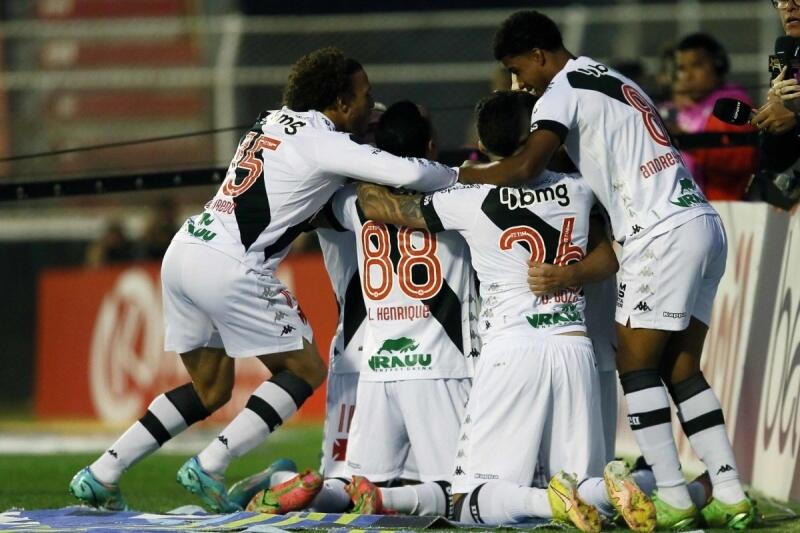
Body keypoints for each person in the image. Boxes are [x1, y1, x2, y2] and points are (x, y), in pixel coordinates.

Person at [68, 47, 458, 513]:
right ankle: (212, 464)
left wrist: (362, 124)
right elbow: (412, 171)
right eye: (364, 96)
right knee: (305, 369)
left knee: (209, 389)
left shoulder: (269, 120)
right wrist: (464, 173)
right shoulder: (325, 143)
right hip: (231, 264)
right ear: (338, 102)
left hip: (185, 250)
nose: (370, 105)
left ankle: (102, 472)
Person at [457, 11, 754, 530]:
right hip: (702, 220)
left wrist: (459, 171)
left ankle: (673, 499)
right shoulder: (610, 75)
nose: (517, 82)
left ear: (539, 56)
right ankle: (730, 492)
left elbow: (526, 165)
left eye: (517, 69)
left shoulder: (559, 89)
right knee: (681, 368)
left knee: (635, 364)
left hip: (659, 232)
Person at [354, 94, 632, 531]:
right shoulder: (579, 189)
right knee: (581, 485)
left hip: (511, 350)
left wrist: (366, 171)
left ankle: (549, 503)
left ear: (480, 141)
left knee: (468, 501)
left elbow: (386, 208)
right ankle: (610, 488)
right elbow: (610, 259)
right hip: (573, 347)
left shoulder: (466, 197)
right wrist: (567, 274)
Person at [660, 33, 757, 200]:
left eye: (696, 66)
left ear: (718, 66)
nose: (687, 75)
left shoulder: (730, 104)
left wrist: (685, 140)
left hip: (725, 210)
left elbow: (738, 159)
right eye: (682, 68)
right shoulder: (678, 108)